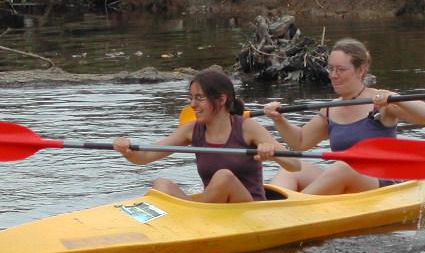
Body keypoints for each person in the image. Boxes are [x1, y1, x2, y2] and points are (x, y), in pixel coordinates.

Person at [263, 38, 425, 195]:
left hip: (381, 183)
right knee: (292, 170)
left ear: (360, 70)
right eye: (331, 68)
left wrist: (395, 97)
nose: (333, 75)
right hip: (344, 177)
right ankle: (272, 209)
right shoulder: (330, 109)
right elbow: (300, 142)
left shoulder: (381, 102)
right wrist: (278, 119)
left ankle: (295, 208)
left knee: (343, 167)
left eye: (341, 69)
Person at [113, 69, 299, 203]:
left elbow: (295, 165)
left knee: (224, 176)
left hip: (248, 208)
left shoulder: (247, 127)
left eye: (199, 98)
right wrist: (127, 150)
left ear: (221, 99)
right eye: (191, 97)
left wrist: (272, 152)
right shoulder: (191, 130)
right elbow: (144, 157)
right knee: (161, 184)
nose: (192, 104)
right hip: (212, 207)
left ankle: (194, 218)